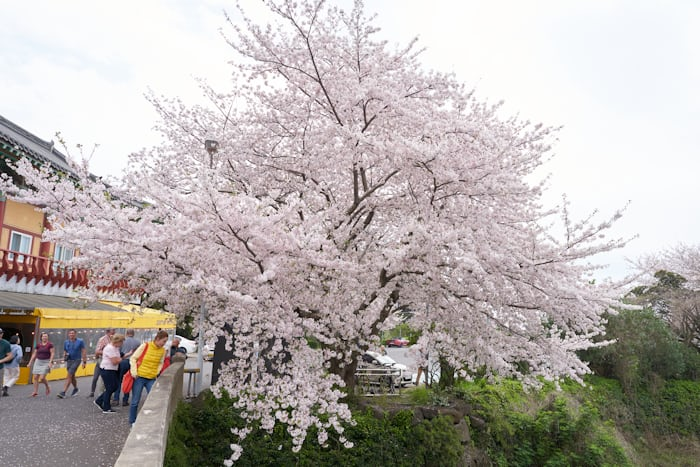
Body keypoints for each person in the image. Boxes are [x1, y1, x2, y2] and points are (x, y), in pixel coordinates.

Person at [128, 330, 169, 427]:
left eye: (165, 341)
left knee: (154, 399)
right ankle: (132, 421)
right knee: (135, 400)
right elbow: (133, 358)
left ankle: (152, 419)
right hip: (140, 377)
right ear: (157, 339)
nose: (164, 343)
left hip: (151, 377)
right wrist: (134, 372)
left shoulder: (163, 351)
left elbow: (161, 362)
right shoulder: (145, 346)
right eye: (163, 341)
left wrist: (157, 372)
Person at [95, 333, 124, 413]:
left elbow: (117, 358)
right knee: (110, 388)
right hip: (107, 369)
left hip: (112, 369)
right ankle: (106, 407)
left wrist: (122, 357)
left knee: (114, 387)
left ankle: (99, 401)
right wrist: (121, 359)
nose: (122, 344)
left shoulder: (115, 348)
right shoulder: (110, 348)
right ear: (117, 341)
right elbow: (114, 361)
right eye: (121, 342)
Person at [57, 329, 87, 398]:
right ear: (68, 334)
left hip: (77, 360)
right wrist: (64, 356)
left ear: (75, 334)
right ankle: (76, 389)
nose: (71, 334)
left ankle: (63, 392)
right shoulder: (66, 342)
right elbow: (65, 350)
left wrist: (84, 362)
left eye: (73, 333)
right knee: (72, 376)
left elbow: (83, 351)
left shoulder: (80, 341)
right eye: (70, 333)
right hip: (69, 360)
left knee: (69, 375)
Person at [115, 329, 140, 406]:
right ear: (133, 334)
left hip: (123, 362)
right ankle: (125, 400)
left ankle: (116, 399)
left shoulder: (122, 341)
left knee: (119, 380)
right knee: (129, 381)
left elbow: (118, 352)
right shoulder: (138, 342)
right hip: (133, 363)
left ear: (126, 333)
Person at [88, 328, 115, 397]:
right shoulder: (103, 339)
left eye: (114, 332)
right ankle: (94, 392)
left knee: (105, 378)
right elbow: (97, 351)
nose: (114, 333)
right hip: (102, 359)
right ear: (108, 332)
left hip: (109, 360)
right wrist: (107, 353)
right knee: (97, 377)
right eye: (112, 332)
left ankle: (106, 394)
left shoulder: (114, 339)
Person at [27, 332, 55, 397]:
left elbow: (52, 353)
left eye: (46, 336)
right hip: (38, 361)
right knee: (35, 377)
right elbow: (34, 354)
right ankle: (35, 392)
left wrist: (50, 362)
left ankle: (47, 386)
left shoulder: (50, 345)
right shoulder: (38, 345)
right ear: (41, 337)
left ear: (48, 337)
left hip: (46, 361)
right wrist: (30, 362)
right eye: (43, 336)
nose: (44, 337)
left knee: (42, 378)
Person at [0, 328, 14, 394]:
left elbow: (10, 356)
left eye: (0, 333)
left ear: (2, 334)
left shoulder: (5, 343)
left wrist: (1, 361)